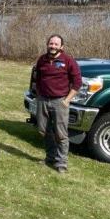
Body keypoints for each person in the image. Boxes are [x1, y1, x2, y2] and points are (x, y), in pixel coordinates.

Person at [34, 34, 82, 173]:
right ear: (47, 44)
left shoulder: (68, 61)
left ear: (62, 47)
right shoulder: (42, 60)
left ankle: (61, 163)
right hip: (43, 100)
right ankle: (50, 157)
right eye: (51, 43)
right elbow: (38, 78)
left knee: (61, 134)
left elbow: (77, 82)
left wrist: (67, 100)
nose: (53, 46)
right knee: (44, 130)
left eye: (56, 44)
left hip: (60, 101)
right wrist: (38, 95)